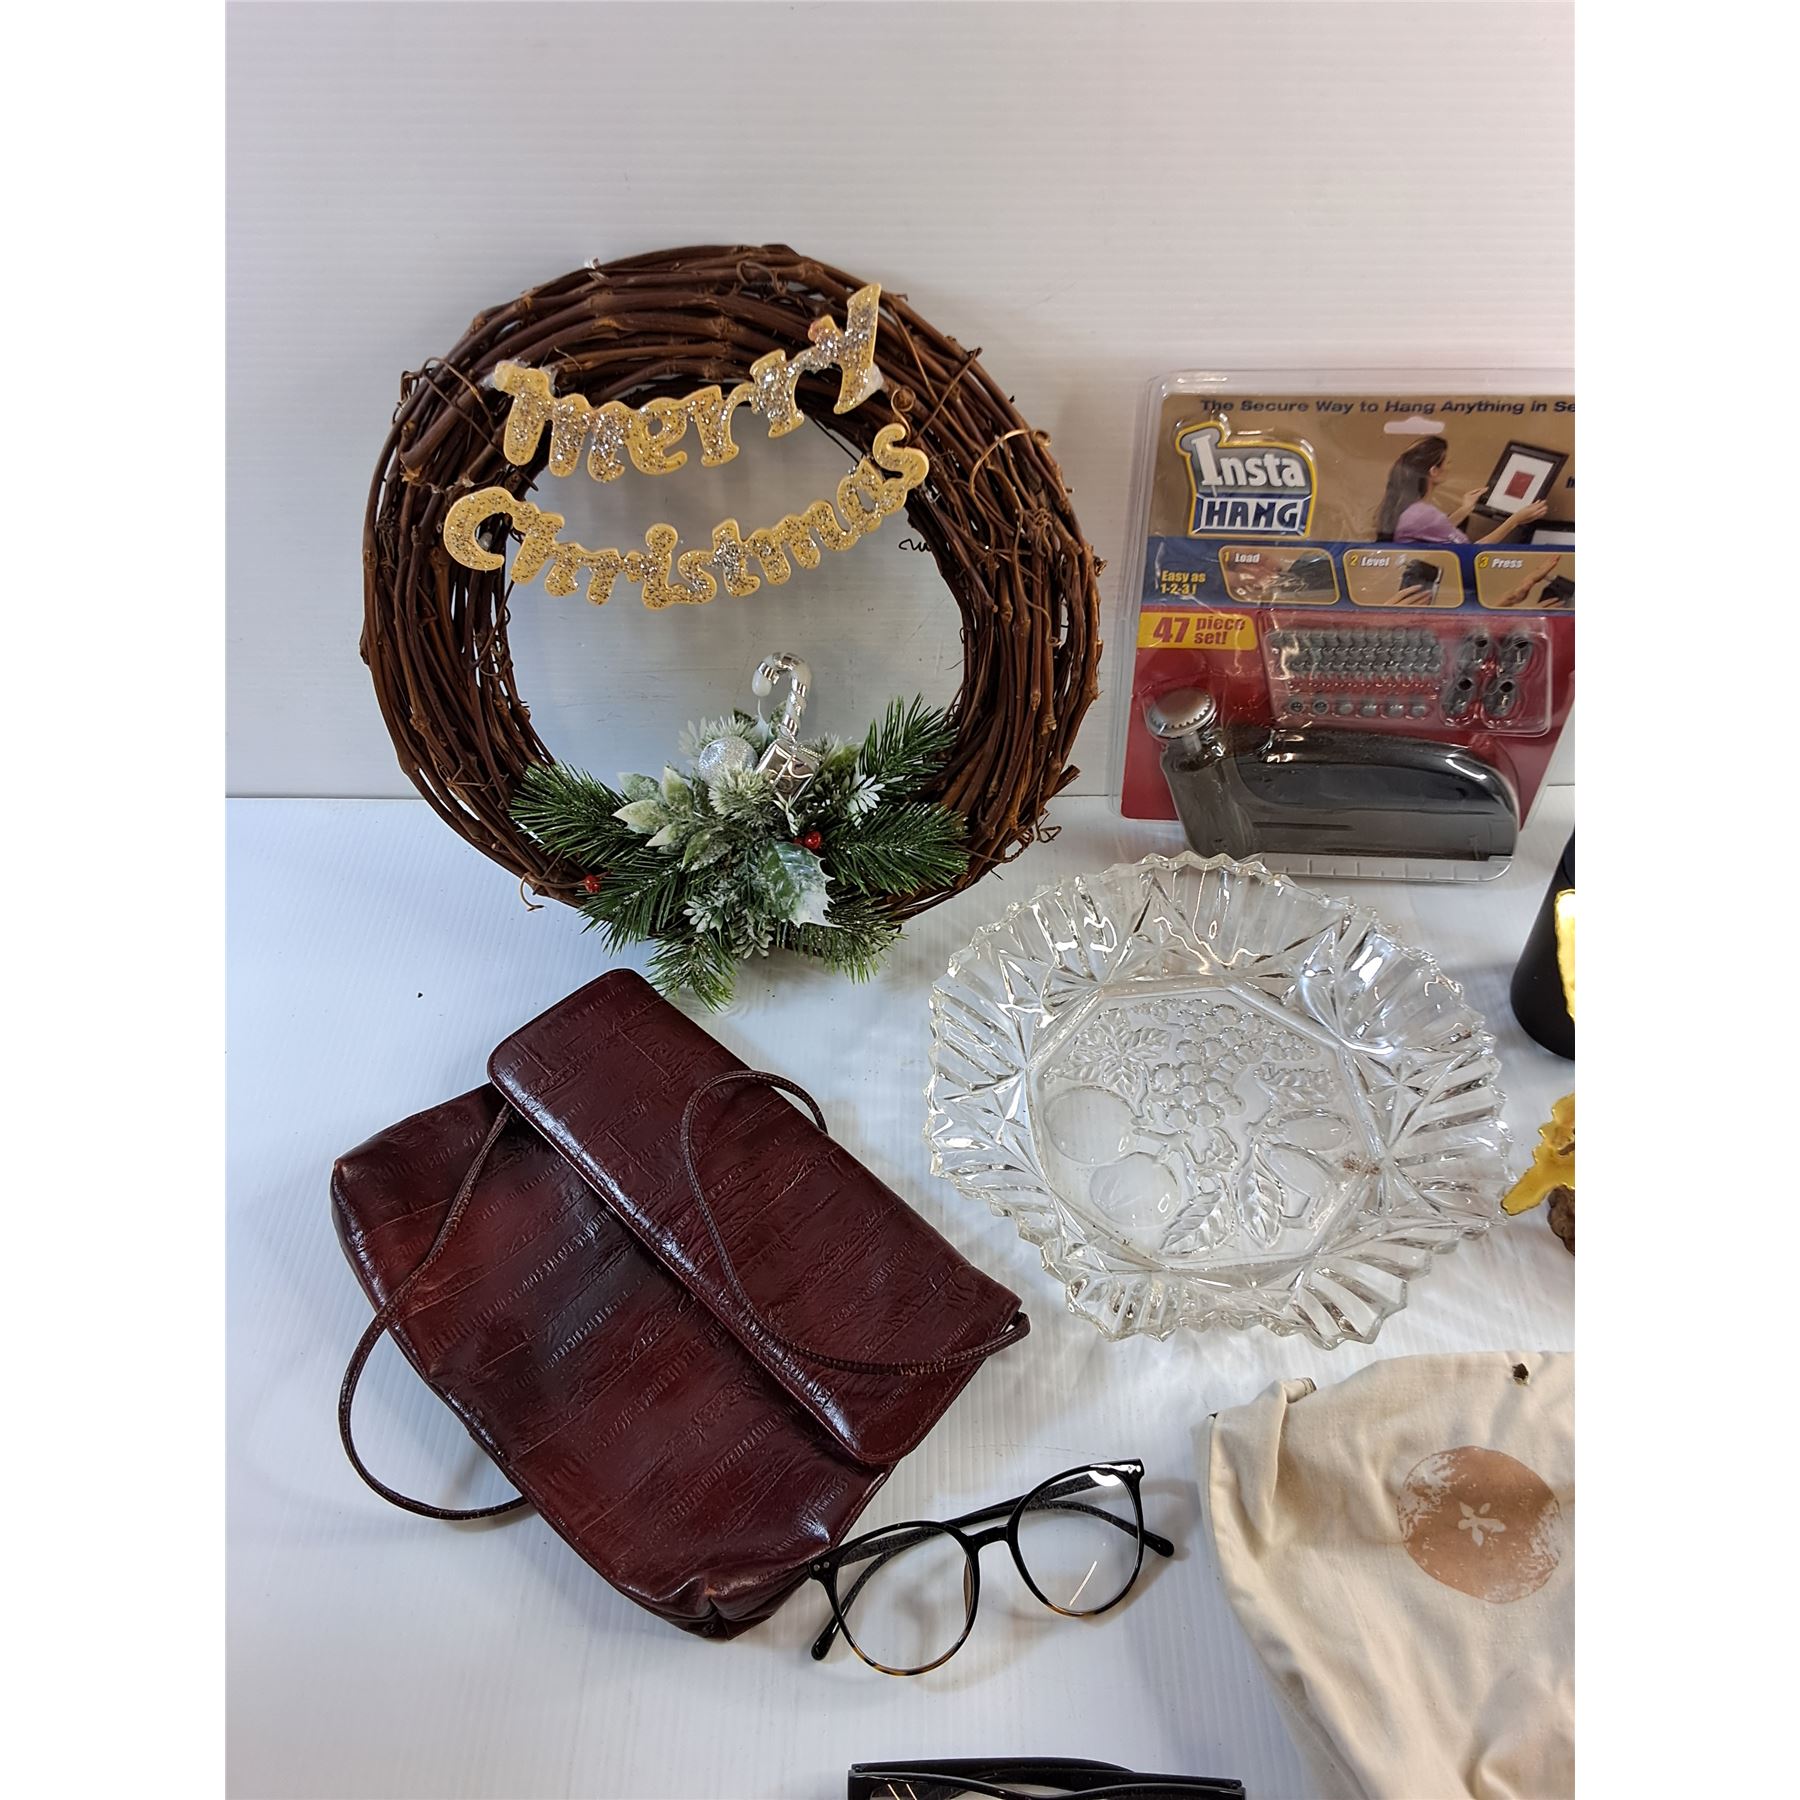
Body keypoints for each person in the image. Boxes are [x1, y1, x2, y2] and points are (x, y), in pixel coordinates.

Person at [1375, 437, 1549, 545]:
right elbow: (1472, 553)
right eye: (1448, 462)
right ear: (1434, 471)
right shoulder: (1424, 514)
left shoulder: (1412, 510)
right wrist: (1515, 520)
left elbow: (1436, 530)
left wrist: (1465, 509)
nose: (1450, 467)